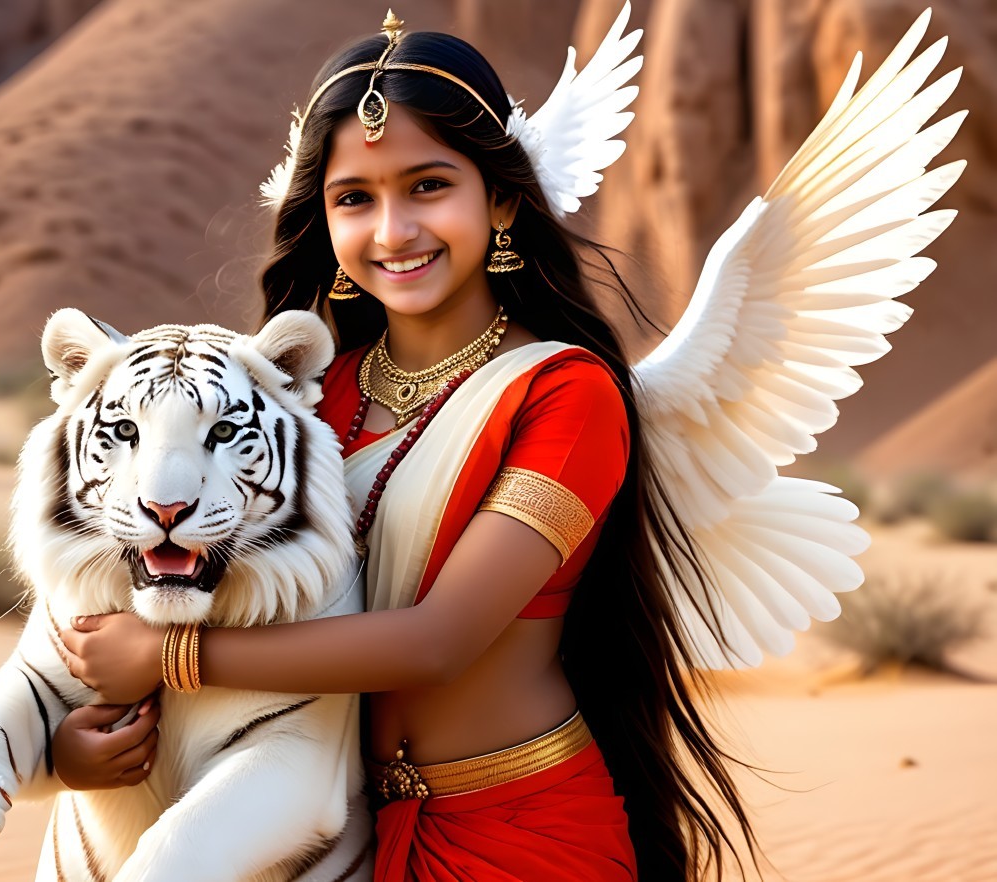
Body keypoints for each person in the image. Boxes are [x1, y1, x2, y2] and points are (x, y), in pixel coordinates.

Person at [56, 10, 761, 880]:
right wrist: (74, 750)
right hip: (336, 832)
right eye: (356, 198)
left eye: (428, 185)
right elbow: (219, 591)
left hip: (520, 833)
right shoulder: (317, 397)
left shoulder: (566, 394)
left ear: (501, 198)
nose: (392, 231)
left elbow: (439, 641)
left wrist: (168, 656)